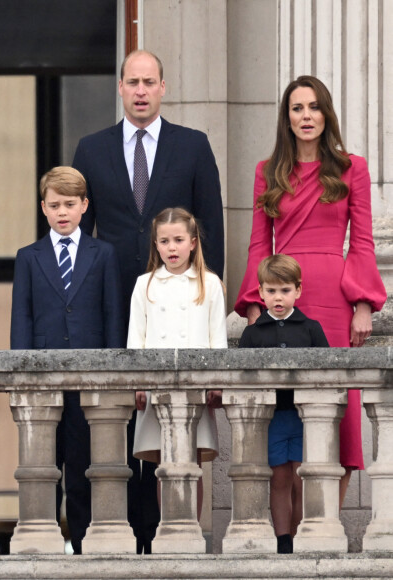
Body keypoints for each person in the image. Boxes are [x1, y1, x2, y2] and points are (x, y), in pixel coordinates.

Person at [72, 49, 224, 552]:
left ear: (164, 87)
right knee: (118, 418)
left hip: (179, 305)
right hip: (110, 302)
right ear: (120, 87)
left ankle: (165, 533)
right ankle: (121, 532)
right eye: (132, 82)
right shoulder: (91, 149)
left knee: (172, 426)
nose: (140, 90)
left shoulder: (193, 146)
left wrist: (209, 298)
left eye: (149, 81)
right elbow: (77, 229)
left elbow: (212, 229)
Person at [235, 75, 387, 507]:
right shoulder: (268, 172)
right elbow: (258, 244)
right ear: (287, 117)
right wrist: (253, 307)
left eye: (314, 107)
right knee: (288, 412)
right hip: (283, 295)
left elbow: (362, 241)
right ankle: (292, 529)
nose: (307, 116)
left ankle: (326, 524)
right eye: (298, 108)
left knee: (337, 413)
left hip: (335, 300)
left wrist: (362, 304)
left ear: (327, 114)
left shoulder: (351, 167)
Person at [10, 166, 124, 554]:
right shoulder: (28, 257)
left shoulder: (103, 253)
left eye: (70, 204)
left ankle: (82, 546)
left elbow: (112, 316)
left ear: (84, 206)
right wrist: (21, 378)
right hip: (42, 377)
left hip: (90, 378)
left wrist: (112, 377)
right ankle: (43, 544)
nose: (62, 212)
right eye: (55, 204)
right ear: (43, 207)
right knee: (43, 466)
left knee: (82, 465)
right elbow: (21, 319)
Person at [128, 207, 227, 524]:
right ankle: (169, 528)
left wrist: (217, 381)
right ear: (155, 245)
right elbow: (136, 340)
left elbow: (217, 339)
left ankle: (192, 529)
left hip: (195, 388)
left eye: (178, 240)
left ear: (193, 242)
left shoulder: (209, 284)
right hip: (158, 390)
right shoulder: (144, 284)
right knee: (165, 467)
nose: (172, 247)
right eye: (164, 241)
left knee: (192, 465)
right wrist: (139, 383)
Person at [239, 254, 329, 554]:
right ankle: (283, 541)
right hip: (272, 419)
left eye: (285, 290)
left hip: (306, 419)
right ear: (261, 292)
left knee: (303, 477)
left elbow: (327, 374)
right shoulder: (252, 334)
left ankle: (301, 535)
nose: (278, 297)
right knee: (279, 478)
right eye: (272, 290)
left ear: (298, 291)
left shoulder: (311, 328)